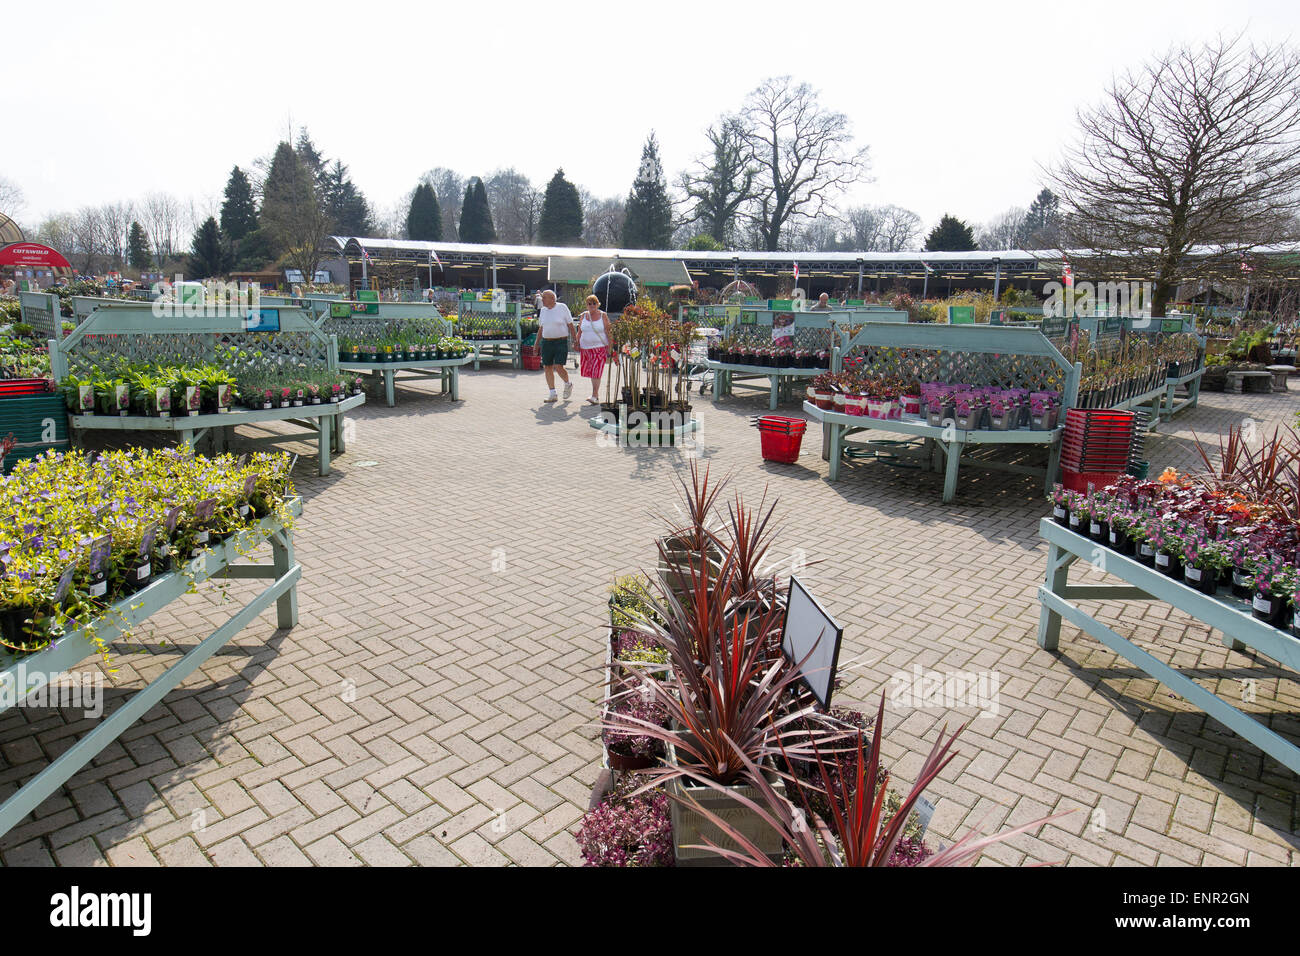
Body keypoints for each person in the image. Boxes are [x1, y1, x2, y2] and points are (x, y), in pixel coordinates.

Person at [537, 290, 576, 403]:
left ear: (552, 299)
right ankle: (552, 393)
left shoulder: (562, 307)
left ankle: (568, 384)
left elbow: (570, 325)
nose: (542, 300)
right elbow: (541, 328)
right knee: (547, 367)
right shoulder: (543, 311)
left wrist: (575, 340)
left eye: (544, 297)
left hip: (560, 342)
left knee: (558, 366)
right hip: (546, 342)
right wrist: (536, 344)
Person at [577, 294, 612, 404]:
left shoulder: (603, 315)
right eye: (589, 303)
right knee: (592, 372)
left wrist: (610, 348)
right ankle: (594, 394)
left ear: (598, 304)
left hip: (599, 348)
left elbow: (608, 332)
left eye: (594, 303)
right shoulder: (583, 316)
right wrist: (576, 342)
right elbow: (579, 331)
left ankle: (595, 395)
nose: (592, 305)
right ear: (586, 305)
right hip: (585, 348)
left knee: (596, 371)